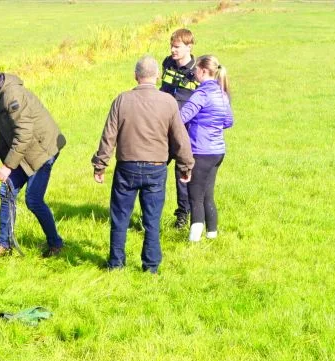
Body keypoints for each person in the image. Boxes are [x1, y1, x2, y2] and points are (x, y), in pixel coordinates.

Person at [91, 56, 193, 274]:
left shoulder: (122, 100)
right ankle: (151, 266)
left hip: (126, 167)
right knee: (152, 220)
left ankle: (116, 264)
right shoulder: (168, 102)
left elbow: (109, 136)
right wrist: (186, 166)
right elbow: (180, 138)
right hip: (156, 167)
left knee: (120, 218)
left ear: (135, 76)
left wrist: (100, 164)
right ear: (157, 76)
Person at [0, 62, 67, 257]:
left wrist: (7, 166)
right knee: (6, 190)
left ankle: (56, 244)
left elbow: (24, 134)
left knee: (33, 199)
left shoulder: (11, 95)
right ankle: (3, 245)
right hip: (24, 150)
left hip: (42, 149)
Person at [178, 55, 233, 243]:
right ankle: (212, 234)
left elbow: (182, 117)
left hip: (200, 151)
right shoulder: (222, 93)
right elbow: (228, 121)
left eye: (196, 70)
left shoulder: (201, 94)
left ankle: (194, 240)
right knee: (208, 194)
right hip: (217, 152)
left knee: (195, 196)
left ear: (202, 71)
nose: (194, 73)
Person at [157, 28, 200, 230]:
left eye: (177, 47)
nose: (172, 50)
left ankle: (183, 216)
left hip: (185, 131)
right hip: (163, 128)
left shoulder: (197, 71)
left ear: (189, 47)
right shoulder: (167, 63)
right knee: (155, 169)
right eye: (171, 46)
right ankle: (151, 212)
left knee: (182, 174)